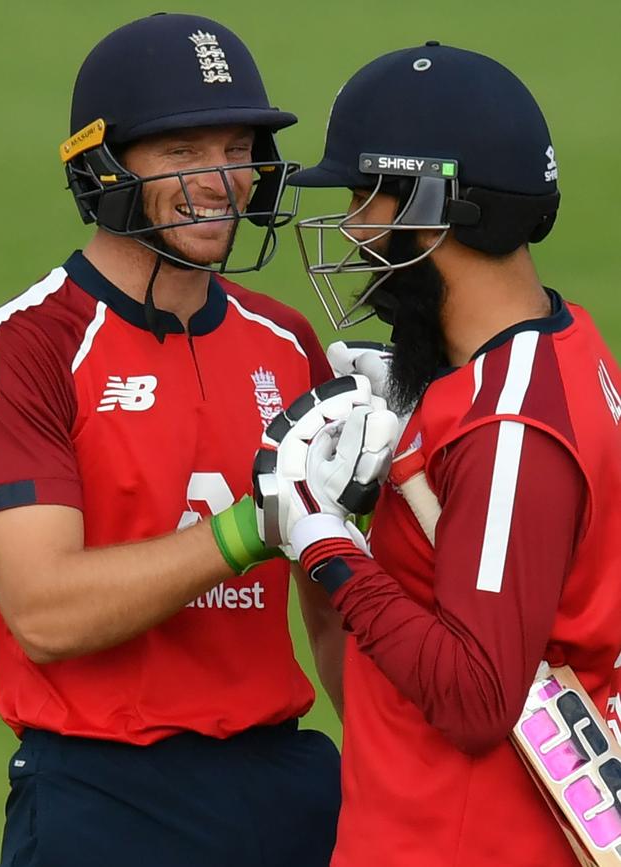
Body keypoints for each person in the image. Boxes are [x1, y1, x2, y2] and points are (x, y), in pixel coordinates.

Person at [0, 13, 343, 867]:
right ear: (105, 167)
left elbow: (334, 618)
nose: (221, 178)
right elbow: (44, 610)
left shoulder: (288, 344)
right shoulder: (28, 345)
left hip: (286, 783)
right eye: (180, 152)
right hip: (102, 800)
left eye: (237, 145)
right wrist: (250, 528)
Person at [254, 42, 621, 866]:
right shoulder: (555, 350)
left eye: (363, 195)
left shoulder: (508, 427)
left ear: (433, 203)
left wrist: (324, 543)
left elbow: (477, 696)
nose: (349, 226)